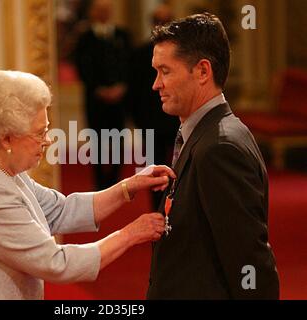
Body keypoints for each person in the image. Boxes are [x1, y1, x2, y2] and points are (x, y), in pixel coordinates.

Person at [0, 70, 174, 300]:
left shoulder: (0, 168)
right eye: (39, 133)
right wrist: (130, 234)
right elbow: (56, 263)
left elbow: (61, 210)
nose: (48, 141)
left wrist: (128, 186)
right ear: (7, 138)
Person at [147, 13, 279, 299]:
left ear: (203, 72)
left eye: (165, 71)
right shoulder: (205, 133)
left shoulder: (220, 148)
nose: (156, 84)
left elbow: (250, 263)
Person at [74, 0, 132, 190]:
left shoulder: (122, 35)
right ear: (92, 12)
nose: (103, 13)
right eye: (99, 10)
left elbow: (129, 64)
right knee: (97, 140)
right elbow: (80, 66)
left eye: (106, 10)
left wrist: (121, 87)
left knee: (118, 138)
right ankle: (99, 180)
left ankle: (115, 178)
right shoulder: (85, 38)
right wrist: (98, 89)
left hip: (119, 99)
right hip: (95, 99)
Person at [129, 3, 180, 210]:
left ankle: (178, 208)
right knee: (154, 170)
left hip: (177, 119)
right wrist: (138, 119)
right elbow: (134, 90)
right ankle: (157, 210)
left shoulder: (182, 56)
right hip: (150, 121)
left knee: (180, 168)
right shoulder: (141, 53)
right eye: (160, 23)